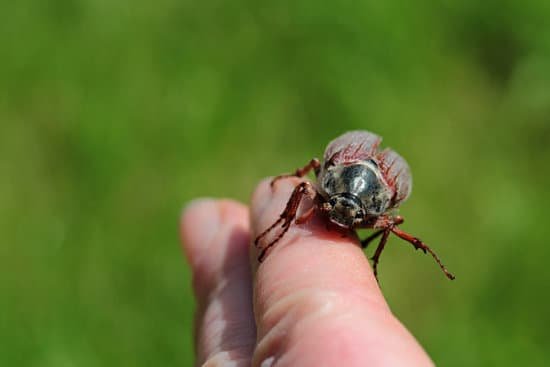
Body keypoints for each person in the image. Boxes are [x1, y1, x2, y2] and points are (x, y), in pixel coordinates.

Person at [180, 178, 435, 366]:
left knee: (390, 224)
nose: (339, 220)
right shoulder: (326, 187)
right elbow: (306, 185)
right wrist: (284, 224)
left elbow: (392, 223)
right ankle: (283, 222)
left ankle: (375, 256)